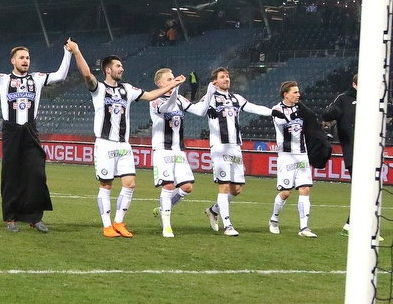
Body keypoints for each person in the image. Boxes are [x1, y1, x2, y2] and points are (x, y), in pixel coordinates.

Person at [70, 47, 185, 238]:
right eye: (118, 66)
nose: (121, 69)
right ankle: (107, 226)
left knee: (130, 184)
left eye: (121, 66)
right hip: (105, 144)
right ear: (108, 70)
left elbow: (149, 96)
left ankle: (119, 222)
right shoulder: (99, 89)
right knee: (106, 185)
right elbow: (87, 74)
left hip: (124, 145)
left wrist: (171, 86)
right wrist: (76, 51)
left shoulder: (127, 89)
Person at [0, 34, 73, 233]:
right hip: (10, 130)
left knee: (36, 173)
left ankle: (35, 217)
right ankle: (10, 217)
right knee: (11, 175)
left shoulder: (36, 79)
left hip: (30, 129)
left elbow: (61, 75)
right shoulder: (3, 79)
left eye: (27, 58)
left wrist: (67, 52)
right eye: (21, 57)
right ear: (13, 61)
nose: (25, 61)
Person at [188, 67, 273, 236]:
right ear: (215, 81)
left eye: (227, 76)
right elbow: (200, 109)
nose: (226, 79)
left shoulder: (236, 98)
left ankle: (213, 210)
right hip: (220, 146)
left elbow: (254, 108)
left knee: (236, 189)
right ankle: (228, 225)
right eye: (222, 77)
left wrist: (274, 112)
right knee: (224, 186)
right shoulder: (211, 98)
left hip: (235, 147)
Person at [267, 80, 318, 238]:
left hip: (302, 154)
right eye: (295, 92)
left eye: (298, 92)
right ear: (286, 94)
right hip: (286, 155)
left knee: (305, 189)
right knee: (286, 192)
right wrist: (299, 114)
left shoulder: (301, 109)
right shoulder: (277, 110)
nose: (298, 94)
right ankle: (274, 220)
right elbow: (284, 123)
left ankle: (304, 228)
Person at [147, 68, 194, 237]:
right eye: (169, 79)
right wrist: (177, 87)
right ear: (160, 83)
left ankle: (162, 209)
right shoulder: (155, 99)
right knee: (168, 185)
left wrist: (210, 94)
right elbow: (166, 107)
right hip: (162, 149)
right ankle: (166, 226)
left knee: (187, 187)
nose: (173, 81)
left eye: (173, 78)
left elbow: (199, 110)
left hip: (178, 150)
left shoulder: (180, 99)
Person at [323, 73, 357, 234]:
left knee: (367, 190)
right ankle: (352, 225)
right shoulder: (343, 99)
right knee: (363, 189)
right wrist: (331, 114)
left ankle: (352, 225)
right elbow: (328, 115)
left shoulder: (372, 99)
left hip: (370, 151)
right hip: (352, 150)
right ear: (355, 84)